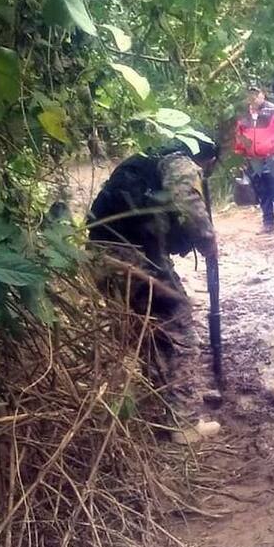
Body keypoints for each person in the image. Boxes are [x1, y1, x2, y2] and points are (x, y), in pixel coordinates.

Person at [88, 138, 218, 386]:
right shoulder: (180, 162)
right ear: (208, 159)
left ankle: (157, 404)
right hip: (134, 258)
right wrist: (207, 239)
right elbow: (186, 199)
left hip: (98, 253)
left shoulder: (145, 160)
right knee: (179, 335)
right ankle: (183, 421)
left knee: (145, 332)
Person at [234, 84, 274, 233]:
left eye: (256, 94)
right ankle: (268, 223)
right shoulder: (244, 115)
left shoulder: (273, 111)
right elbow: (239, 135)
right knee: (262, 191)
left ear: (262, 95)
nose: (253, 98)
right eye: (250, 95)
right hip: (253, 159)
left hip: (271, 157)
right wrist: (241, 153)